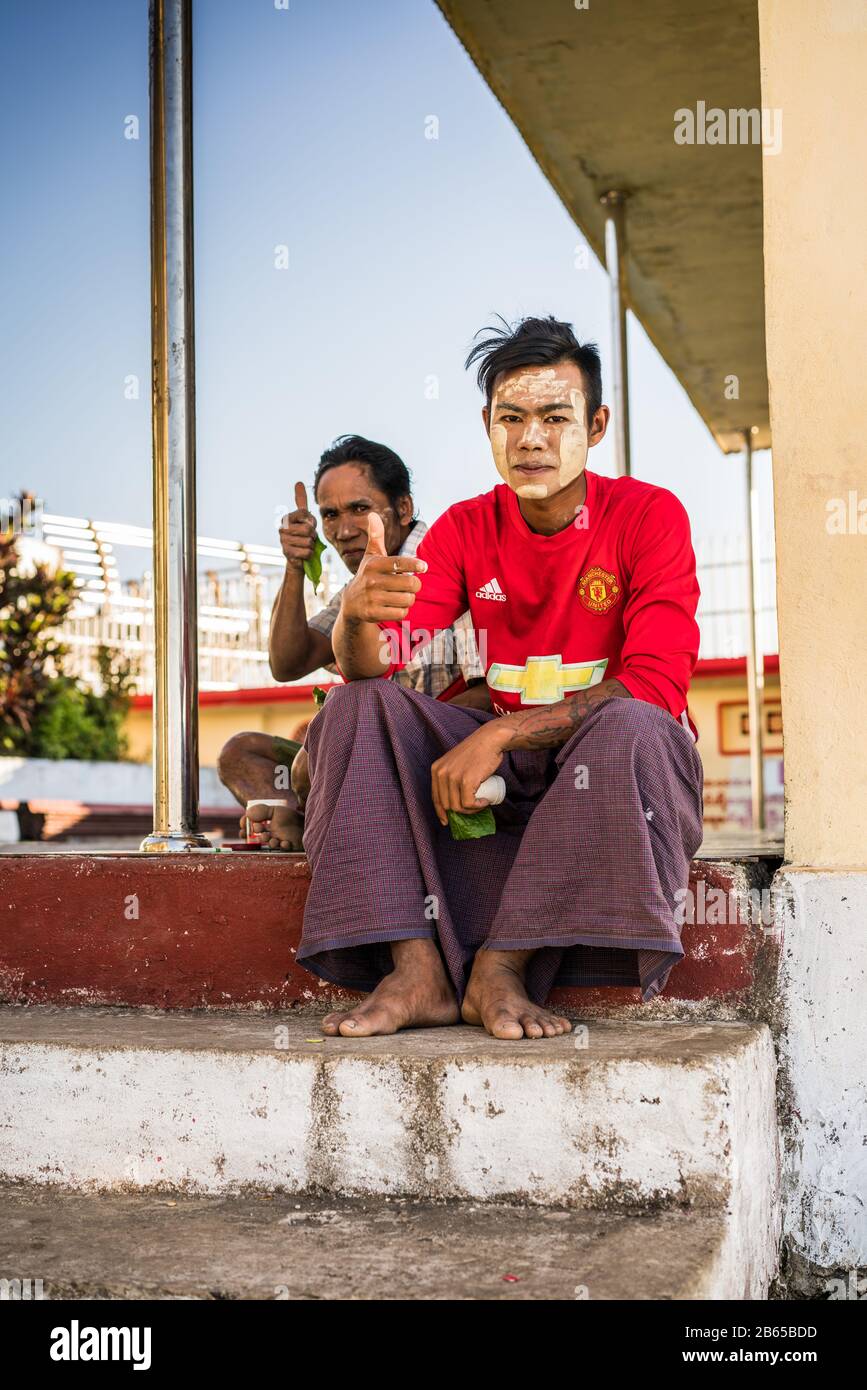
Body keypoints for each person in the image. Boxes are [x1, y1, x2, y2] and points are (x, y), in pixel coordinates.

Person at [297, 316, 704, 1041]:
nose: (530, 439)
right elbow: (379, 660)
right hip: (504, 778)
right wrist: (354, 617)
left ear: (596, 424)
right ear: (488, 425)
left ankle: (501, 966)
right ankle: (415, 967)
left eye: (554, 417)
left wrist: (504, 730)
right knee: (355, 708)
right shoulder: (463, 528)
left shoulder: (647, 515)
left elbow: (655, 683)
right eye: (510, 418)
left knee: (635, 723)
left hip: (605, 772)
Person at [217, 435, 485, 849]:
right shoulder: (360, 584)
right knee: (241, 752)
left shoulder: (444, 561)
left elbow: (490, 697)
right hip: (357, 758)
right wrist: (293, 565)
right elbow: (288, 662)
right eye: (330, 515)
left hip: (442, 758)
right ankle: (291, 816)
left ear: (404, 508)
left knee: (327, 739)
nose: (343, 530)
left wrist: (381, 727)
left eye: (360, 508)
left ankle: (301, 818)